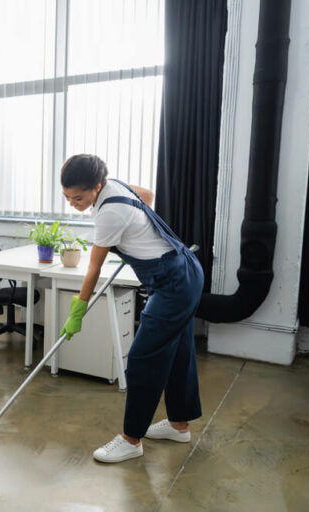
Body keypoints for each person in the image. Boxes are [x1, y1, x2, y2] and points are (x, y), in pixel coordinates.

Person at [59, 154, 204, 463]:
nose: (74, 203)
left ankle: (131, 439)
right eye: (68, 197)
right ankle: (179, 425)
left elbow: (93, 269)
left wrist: (77, 311)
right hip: (184, 271)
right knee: (178, 353)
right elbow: (147, 196)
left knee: (141, 359)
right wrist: (136, 235)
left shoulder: (108, 215)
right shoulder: (116, 185)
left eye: (79, 197)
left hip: (173, 283)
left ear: (97, 186)